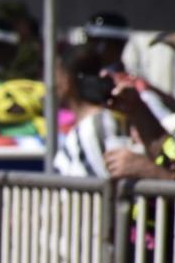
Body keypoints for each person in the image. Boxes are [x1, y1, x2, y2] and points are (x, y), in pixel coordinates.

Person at [53, 44, 124, 177]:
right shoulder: (89, 125)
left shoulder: (93, 128)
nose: (54, 83)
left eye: (58, 75)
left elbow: (101, 180)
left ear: (67, 79)